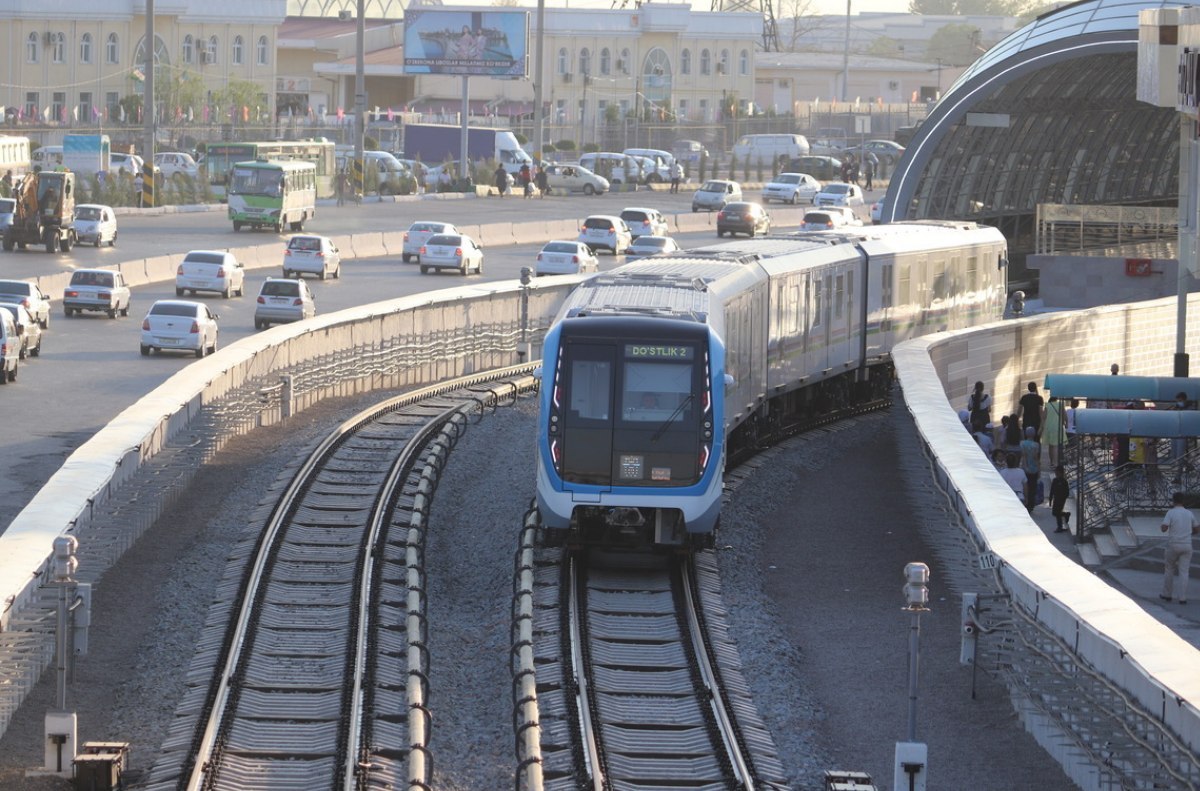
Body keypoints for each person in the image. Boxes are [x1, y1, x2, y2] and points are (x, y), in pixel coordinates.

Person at [1159, 492, 1198, 604]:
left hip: (1173, 544)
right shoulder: (1189, 513)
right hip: (1187, 545)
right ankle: (1182, 598)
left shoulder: (1171, 513)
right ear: (1183, 501)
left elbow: (1164, 528)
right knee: (1184, 571)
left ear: (1173, 501)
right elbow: (1196, 528)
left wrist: (1164, 526)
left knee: (1169, 569)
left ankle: (1167, 594)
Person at [1020, 426, 1041, 510]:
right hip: (1034, 468)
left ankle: (1025, 501)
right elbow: (1036, 458)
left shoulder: (1022, 443)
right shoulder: (1036, 445)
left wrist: (1025, 466)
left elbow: (1023, 456)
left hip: (1025, 467)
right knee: (1033, 487)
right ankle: (1031, 504)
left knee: (1025, 486)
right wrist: (1039, 469)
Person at [1049, 465, 1071, 533]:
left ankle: (1059, 527)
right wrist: (1050, 499)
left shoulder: (1064, 481)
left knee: (1057, 513)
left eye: (1057, 473)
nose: (1056, 474)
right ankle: (1065, 514)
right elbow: (1052, 490)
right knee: (1055, 513)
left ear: (1061, 473)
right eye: (1056, 472)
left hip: (1061, 499)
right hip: (1056, 498)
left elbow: (1067, 491)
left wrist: (1064, 497)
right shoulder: (1055, 480)